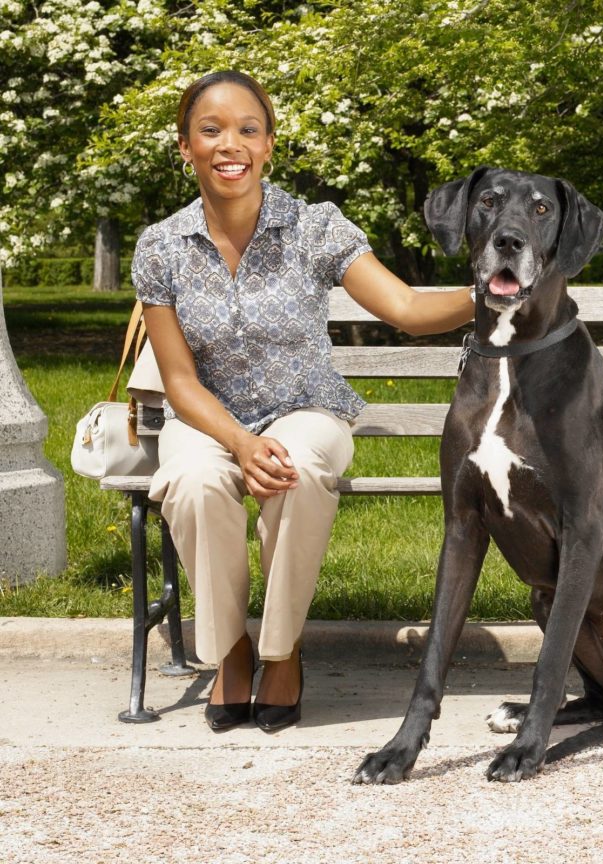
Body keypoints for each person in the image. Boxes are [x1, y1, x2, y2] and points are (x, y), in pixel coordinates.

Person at [134, 70, 473, 732]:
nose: (230, 144)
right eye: (211, 130)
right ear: (185, 147)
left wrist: (494, 290)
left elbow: (404, 306)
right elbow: (178, 380)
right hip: (205, 418)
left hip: (306, 408)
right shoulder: (160, 247)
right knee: (195, 481)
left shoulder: (314, 228)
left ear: (269, 145)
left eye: (247, 130)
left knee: (298, 466)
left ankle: (281, 651)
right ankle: (230, 652)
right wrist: (237, 442)